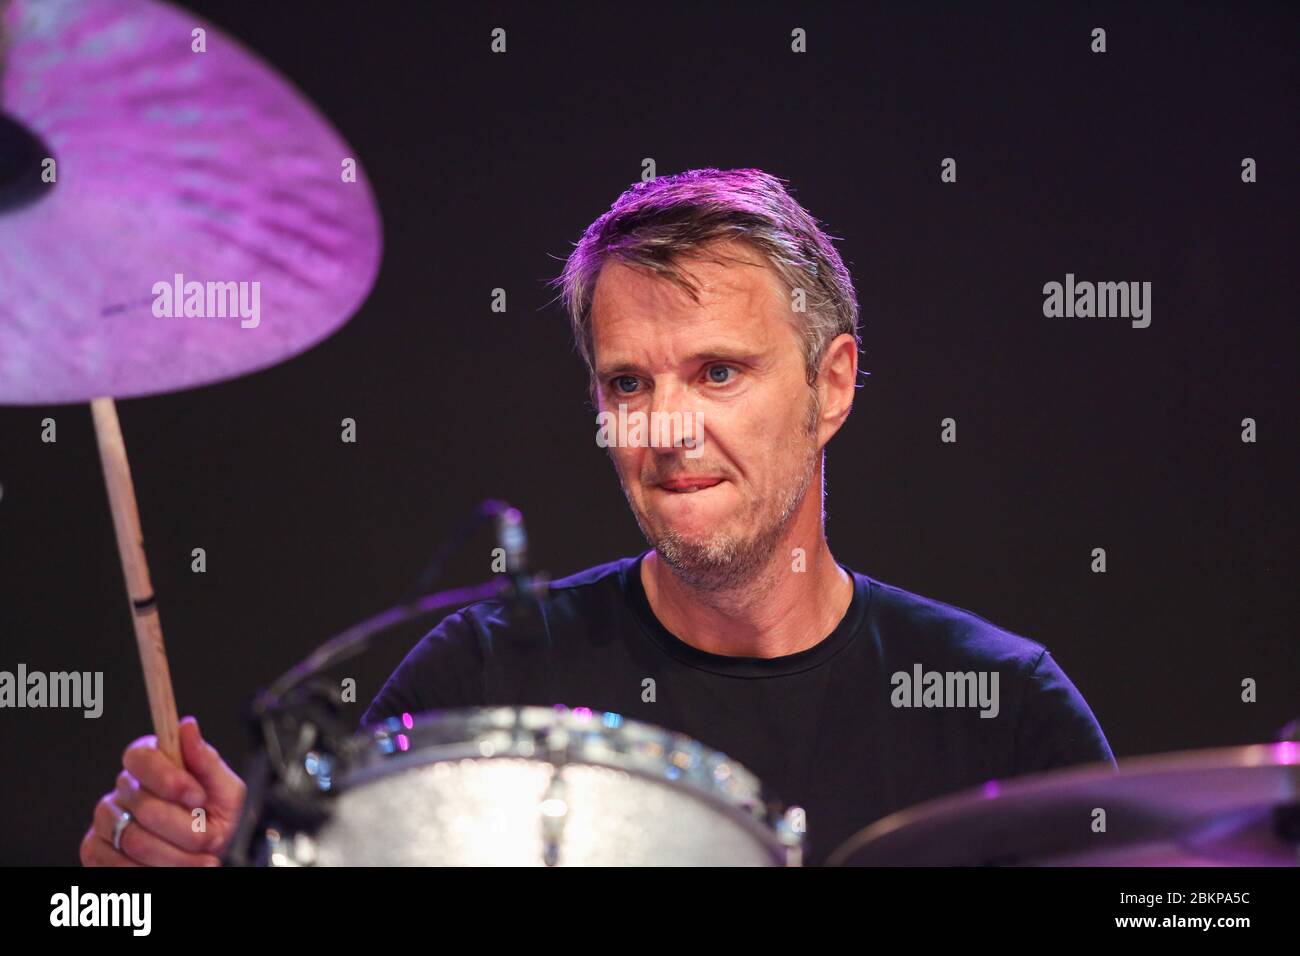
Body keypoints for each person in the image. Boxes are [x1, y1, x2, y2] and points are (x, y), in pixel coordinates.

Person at [81, 168, 1113, 868]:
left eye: (717, 371)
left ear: (829, 385)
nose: (667, 428)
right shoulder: (479, 677)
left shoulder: (1001, 709)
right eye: (628, 383)